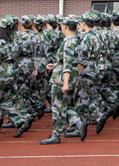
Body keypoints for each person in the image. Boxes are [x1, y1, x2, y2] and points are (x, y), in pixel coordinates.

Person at [40, 16, 86, 145]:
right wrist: (56, 65)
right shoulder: (78, 40)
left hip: (61, 78)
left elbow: (67, 64)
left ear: (65, 27)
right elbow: (79, 62)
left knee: (57, 107)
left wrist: (65, 83)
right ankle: (79, 124)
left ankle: (56, 134)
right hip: (70, 75)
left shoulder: (69, 42)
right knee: (64, 104)